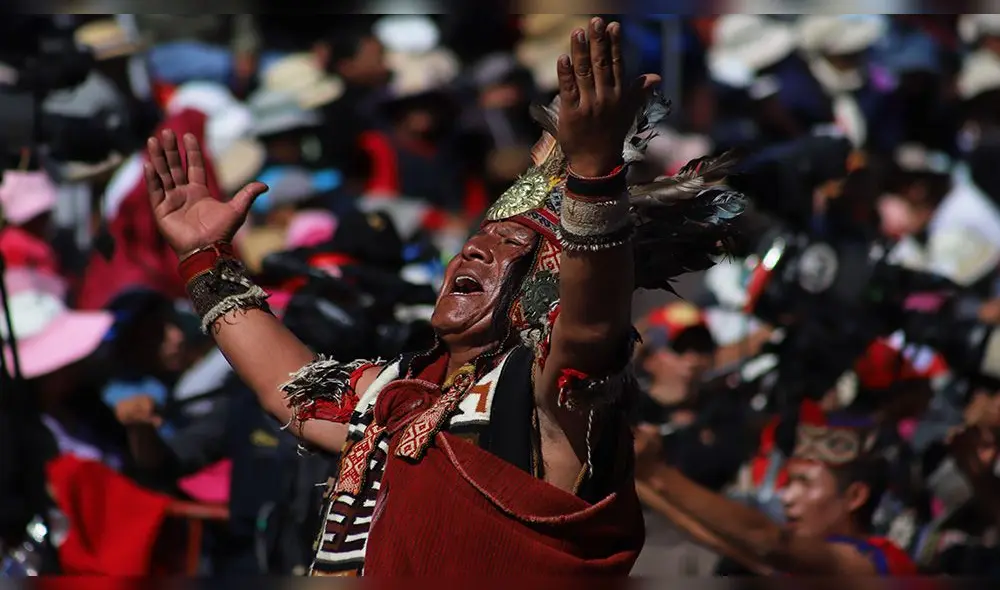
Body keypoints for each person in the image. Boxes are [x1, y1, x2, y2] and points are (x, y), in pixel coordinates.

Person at [142, 18, 745, 576]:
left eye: (509, 244)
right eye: (471, 243)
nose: (473, 252)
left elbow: (590, 331)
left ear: (549, 290)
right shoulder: (408, 396)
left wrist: (593, 175)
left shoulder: (547, 402)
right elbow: (290, 387)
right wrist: (206, 259)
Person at [635, 415, 917, 576]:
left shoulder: (875, 563)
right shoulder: (800, 565)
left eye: (804, 484)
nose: (786, 497)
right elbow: (710, 533)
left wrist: (655, 471)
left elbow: (767, 539)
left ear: (855, 496)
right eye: (789, 482)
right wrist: (634, 472)